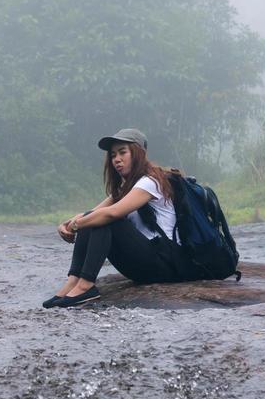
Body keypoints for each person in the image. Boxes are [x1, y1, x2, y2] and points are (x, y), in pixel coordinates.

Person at [44, 128, 202, 308]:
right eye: (113, 155)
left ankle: (86, 285)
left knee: (108, 220)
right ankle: (73, 281)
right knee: (94, 218)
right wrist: (68, 223)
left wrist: (77, 225)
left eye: (122, 152)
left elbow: (112, 213)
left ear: (138, 153)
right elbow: (93, 212)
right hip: (144, 265)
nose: (116, 159)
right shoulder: (127, 187)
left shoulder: (150, 182)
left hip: (165, 265)